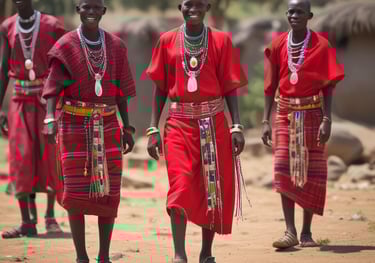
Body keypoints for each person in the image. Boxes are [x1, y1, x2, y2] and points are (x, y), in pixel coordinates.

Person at [146, 0, 248, 262]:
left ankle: (206, 253)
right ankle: (180, 254)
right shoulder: (167, 40)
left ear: (208, 7)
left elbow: (230, 86)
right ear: (180, 6)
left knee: (210, 189)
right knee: (179, 187)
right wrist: (152, 128)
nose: (194, 8)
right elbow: (159, 87)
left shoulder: (222, 40)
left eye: (200, 3)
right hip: (178, 124)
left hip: (213, 123)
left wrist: (236, 125)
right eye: (189, 3)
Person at [42, 0, 136, 262]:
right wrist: (49, 118)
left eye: (96, 7)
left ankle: (103, 256)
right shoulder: (65, 46)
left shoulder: (116, 47)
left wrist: (126, 126)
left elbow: (120, 91)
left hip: (108, 125)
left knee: (109, 192)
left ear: (104, 11)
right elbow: (53, 86)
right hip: (73, 126)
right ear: (78, 10)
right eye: (86, 7)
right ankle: (81, 256)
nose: (91, 12)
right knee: (74, 193)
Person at [262, 0, 344, 249]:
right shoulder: (277, 44)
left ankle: (307, 232)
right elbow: (270, 85)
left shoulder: (322, 45)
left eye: (299, 12)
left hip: (312, 114)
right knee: (283, 169)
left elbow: (329, 85)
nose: (293, 15)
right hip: (285, 113)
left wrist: (327, 120)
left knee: (310, 172)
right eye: (290, 11)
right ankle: (290, 231)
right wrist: (265, 120)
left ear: (310, 15)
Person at [0, 0, 65, 238]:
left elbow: (62, 64)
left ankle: (50, 218)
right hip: (19, 101)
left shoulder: (52, 25)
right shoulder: (7, 26)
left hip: (45, 100)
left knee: (48, 157)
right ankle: (27, 221)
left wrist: (61, 101)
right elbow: (2, 67)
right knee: (21, 158)